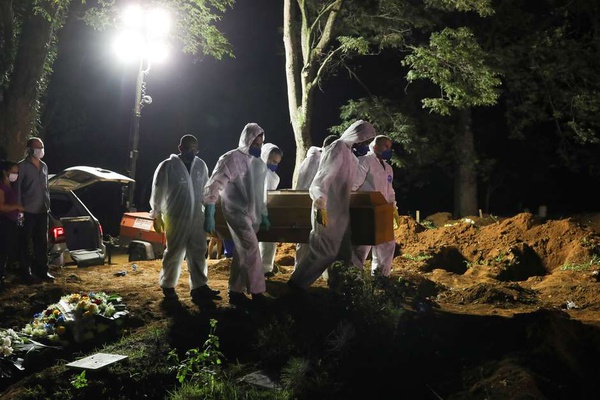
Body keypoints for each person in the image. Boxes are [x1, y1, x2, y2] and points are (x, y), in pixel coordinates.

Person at [288, 120, 376, 291]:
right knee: (323, 252)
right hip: (326, 210)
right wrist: (319, 201)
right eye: (364, 140)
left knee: (343, 255)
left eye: (368, 142)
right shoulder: (338, 147)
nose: (365, 144)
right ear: (356, 136)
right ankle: (295, 286)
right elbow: (322, 178)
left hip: (341, 214)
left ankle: (339, 290)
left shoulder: (352, 157)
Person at [203, 123, 271, 307]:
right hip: (234, 211)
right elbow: (215, 182)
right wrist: (209, 207)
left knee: (242, 252)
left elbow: (260, 190)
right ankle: (257, 292)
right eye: (255, 143)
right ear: (247, 140)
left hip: (251, 213)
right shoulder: (232, 158)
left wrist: (263, 213)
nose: (258, 147)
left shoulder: (256, 162)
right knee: (251, 247)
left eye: (261, 144)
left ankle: (235, 291)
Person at [149, 134, 220, 305]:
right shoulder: (167, 166)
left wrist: (209, 211)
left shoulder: (200, 166)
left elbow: (206, 189)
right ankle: (168, 286)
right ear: (180, 148)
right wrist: (156, 213)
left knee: (198, 251)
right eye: (189, 148)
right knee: (174, 252)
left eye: (195, 149)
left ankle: (199, 287)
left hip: (196, 216)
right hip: (175, 217)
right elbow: (158, 190)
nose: (192, 152)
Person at [351, 135, 401, 277]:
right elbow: (354, 184)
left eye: (389, 146)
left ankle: (380, 278)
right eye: (385, 146)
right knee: (361, 246)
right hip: (366, 209)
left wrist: (394, 208)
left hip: (383, 210)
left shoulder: (388, 168)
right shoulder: (364, 161)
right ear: (374, 146)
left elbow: (390, 190)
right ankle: (354, 279)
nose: (388, 149)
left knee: (387, 244)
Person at [293, 134, 338, 270]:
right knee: (306, 241)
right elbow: (305, 185)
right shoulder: (314, 159)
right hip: (309, 205)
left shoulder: (327, 160)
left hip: (321, 206)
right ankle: (298, 273)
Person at [17, 137, 53, 282]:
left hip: (43, 210)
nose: (41, 150)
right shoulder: (21, 166)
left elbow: (46, 188)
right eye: (38, 147)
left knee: (42, 243)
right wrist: (19, 209)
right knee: (25, 243)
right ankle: (26, 273)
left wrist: (48, 204)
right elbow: (18, 188)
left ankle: (43, 271)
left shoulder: (44, 166)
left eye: (42, 147)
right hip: (27, 210)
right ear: (30, 149)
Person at [258, 143, 283, 277]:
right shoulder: (257, 172)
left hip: (268, 211)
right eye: (272, 161)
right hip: (256, 211)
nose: (274, 164)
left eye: (277, 162)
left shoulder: (274, 176)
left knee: (268, 241)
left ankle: (266, 269)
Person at [0, 160, 25, 289]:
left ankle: (3, 275)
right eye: (13, 172)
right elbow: (1, 207)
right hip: (4, 222)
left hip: (12, 222)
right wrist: (16, 206)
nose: (15, 174)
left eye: (17, 172)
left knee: (7, 250)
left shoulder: (12, 186)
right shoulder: (2, 187)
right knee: (2, 251)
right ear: (5, 172)